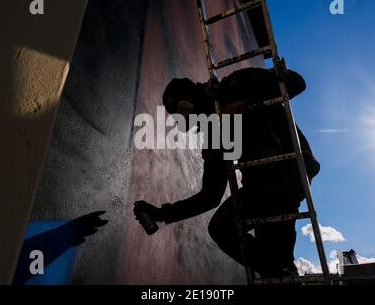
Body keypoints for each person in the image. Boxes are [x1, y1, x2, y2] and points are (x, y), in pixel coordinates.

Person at [133, 67, 320, 277]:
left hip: (288, 169)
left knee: (226, 227)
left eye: (187, 114)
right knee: (272, 255)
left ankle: (279, 273)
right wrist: (161, 214)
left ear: (191, 101)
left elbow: (296, 81)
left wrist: (245, 101)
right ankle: (281, 273)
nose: (194, 124)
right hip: (265, 189)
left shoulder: (236, 84)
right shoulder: (215, 131)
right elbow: (210, 196)